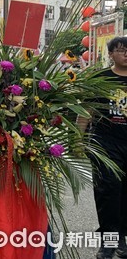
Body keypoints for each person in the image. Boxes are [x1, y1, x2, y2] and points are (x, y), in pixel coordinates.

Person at [85, 36, 127, 259]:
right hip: (105, 144)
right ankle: (108, 242)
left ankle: (123, 239)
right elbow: (86, 111)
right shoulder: (100, 78)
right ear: (110, 53)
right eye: (121, 50)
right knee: (108, 193)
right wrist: (78, 140)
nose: (126, 54)